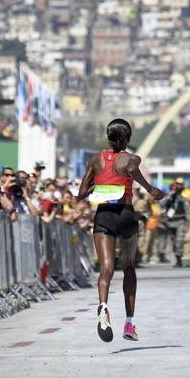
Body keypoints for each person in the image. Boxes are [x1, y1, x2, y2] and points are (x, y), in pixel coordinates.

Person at [77, 118, 163, 343]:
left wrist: (100, 185)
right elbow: (141, 178)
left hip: (103, 216)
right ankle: (129, 323)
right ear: (128, 138)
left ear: (108, 136)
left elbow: (81, 193)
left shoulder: (96, 159)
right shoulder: (131, 160)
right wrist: (152, 190)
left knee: (106, 269)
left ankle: (103, 307)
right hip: (125, 215)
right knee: (129, 267)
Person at [160, 180, 190, 268]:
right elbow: (161, 204)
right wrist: (171, 195)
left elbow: (187, 211)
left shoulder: (183, 198)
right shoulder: (169, 198)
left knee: (179, 241)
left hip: (180, 221)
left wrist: (187, 223)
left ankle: (179, 260)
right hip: (170, 222)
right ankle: (177, 259)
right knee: (173, 241)